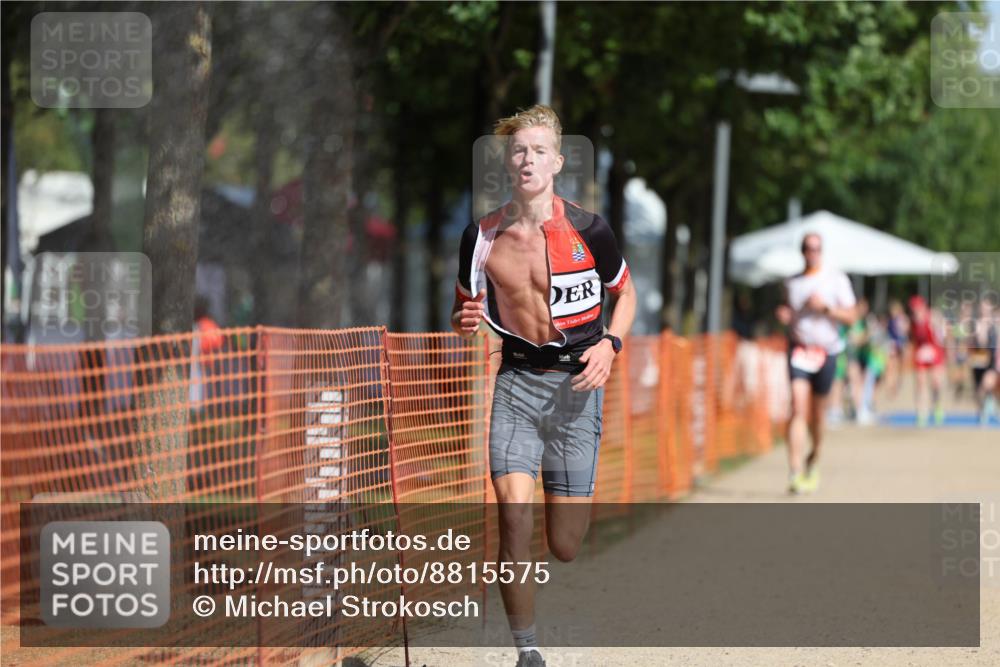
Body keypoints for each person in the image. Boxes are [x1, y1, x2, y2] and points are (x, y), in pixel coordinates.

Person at [451, 105, 636, 667]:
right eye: (518, 150)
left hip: (578, 388)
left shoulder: (589, 230)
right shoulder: (481, 237)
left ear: (557, 161)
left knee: (564, 545)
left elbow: (626, 294)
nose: (527, 159)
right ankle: (527, 651)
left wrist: (610, 344)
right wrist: (461, 321)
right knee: (512, 515)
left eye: (538, 151)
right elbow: (463, 307)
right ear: (507, 163)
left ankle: (572, 499)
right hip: (517, 386)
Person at [775, 232, 857, 494]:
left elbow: (852, 317)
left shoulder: (836, 279)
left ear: (822, 251)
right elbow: (789, 312)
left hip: (827, 352)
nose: (812, 252)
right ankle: (794, 471)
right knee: (798, 409)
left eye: (816, 248)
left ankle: (815, 456)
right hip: (799, 351)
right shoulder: (792, 282)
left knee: (817, 415)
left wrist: (825, 309)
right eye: (807, 248)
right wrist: (786, 315)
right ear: (802, 252)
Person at [908, 295, 947, 427]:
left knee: (936, 382)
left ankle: (937, 407)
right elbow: (914, 340)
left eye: (918, 308)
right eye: (914, 310)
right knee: (920, 383)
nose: (916, 312)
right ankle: (921, 413)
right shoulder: (913, 322)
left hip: (935, 352)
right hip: (921, 354)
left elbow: (942, 335)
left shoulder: (932, 317)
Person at [967, 300, 998, 425]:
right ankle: (981, 413)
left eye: (986, 308)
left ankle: (989, 402)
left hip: (990, 361)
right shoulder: (974, 325)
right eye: (982, 308)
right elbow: (970, 342)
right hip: (977, 361)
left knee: (986, 385)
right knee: (977, 391)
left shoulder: (993, 325)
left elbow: (993, 345)